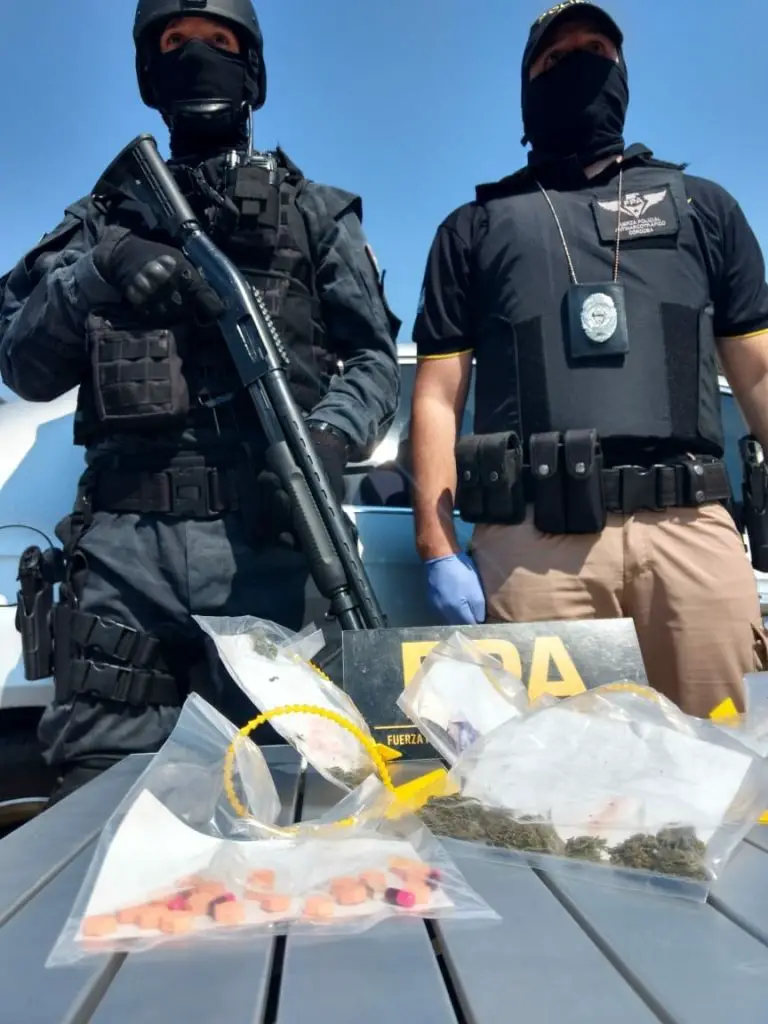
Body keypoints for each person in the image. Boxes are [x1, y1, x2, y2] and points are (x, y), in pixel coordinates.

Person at [0, 0, 400, 802]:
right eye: (175, 43)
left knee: (296, 794)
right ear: (150, 72)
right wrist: (102, 269)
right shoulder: (100, 222)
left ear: (251, 68)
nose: (196, 57)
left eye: (217, 42)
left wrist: (330, 434)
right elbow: (22, 364)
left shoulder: (314, 213)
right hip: (125, 559)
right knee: (105, 800)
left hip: (272, 540)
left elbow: (373, 361)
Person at [410, 0, 768, 719]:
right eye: (556, 57)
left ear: (624, 75)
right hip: (536, 547)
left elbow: (757, 373)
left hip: (691, 535)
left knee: (732, 765)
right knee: (551, 777)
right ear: (527, 87)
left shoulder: (705, 209)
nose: (578, 66)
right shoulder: (474, 228)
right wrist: (436, 547)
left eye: (597, 53)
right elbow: (438, 397)